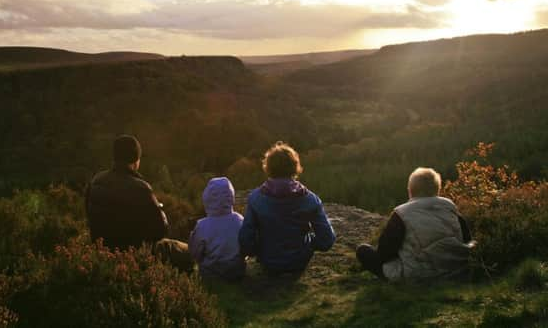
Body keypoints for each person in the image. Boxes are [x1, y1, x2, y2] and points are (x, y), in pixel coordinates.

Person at [86, 135, 192, 271]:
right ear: (136, 160)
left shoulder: (95, 181)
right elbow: (161, 231)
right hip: (136, 254)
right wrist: (160, 209)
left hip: (103, 252)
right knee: (188, 252)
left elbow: (89, 216)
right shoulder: (141, 188)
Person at [356, 167, 473, 282]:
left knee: (363, 250)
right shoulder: (450, 207)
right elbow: (467, 240)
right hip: (454, 270)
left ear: (410, 190)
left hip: (417, 274)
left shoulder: (402, 213)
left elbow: (384, 254)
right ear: (438, 189)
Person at [239, 142, 336, 274]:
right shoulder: (311, 200)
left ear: (268, 167)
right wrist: (309, 244)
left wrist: (260, 250)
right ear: (295, 167)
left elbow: (245, 240)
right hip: (299, 262)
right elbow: (327, 240)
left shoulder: (255, 198)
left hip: (268, 262)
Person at [189, 177, 245, 280]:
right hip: (237, 271)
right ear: (231, 196)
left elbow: (195, 253)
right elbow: (246, 246)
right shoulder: (239, 220)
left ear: (207, 198)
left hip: (210, 274)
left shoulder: (202, 225)